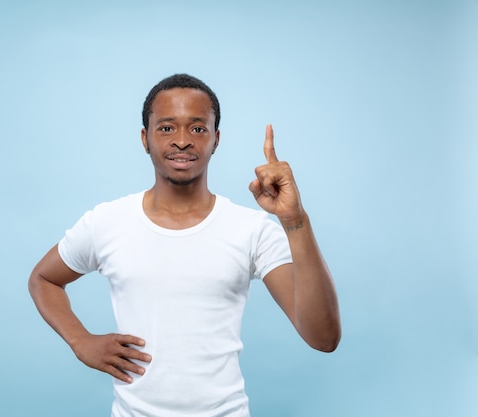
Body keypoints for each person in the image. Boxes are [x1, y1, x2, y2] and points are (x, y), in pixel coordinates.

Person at [28, 73, 341, 416]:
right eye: (166, 128)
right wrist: (80, 340)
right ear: (145, 139)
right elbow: (43, 279)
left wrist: (295, 221)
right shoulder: (107, 221)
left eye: (197, 128)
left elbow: (323, 338)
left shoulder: (251, 230)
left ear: (215, 139)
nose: (182, 141)